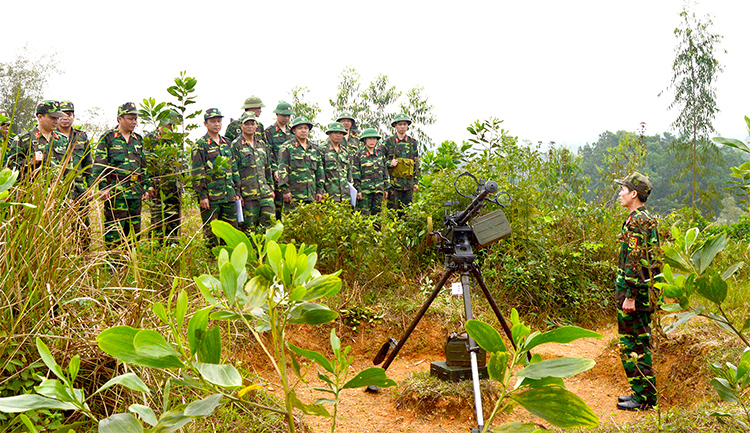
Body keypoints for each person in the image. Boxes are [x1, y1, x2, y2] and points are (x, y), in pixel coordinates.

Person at [614, 172, 660, 411]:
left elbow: (635, 261)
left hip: (636, 298)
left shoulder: (638, 221)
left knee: (635, 346)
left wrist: (630, 296)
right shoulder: (641, 219)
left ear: (634, 194)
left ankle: (644, 399)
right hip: (639, 295)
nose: (619, 193)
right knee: (636, 344)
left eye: (623, 189)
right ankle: (641, 394)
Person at [93, 102, 154, 247]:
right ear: (120, 119)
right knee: (114, 231)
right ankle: (112, 265)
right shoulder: (108, 138)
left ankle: (130, 264)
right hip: (115, 193)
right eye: (130, 118)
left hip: (135, 192)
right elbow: (99, 165)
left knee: (133, 232)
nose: (134, 122)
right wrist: (103, 188)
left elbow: (143, 166)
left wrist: (145, 187)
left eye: (135, 119)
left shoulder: (138, 139)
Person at [192, 108, 241, 247]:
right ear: (205, 123)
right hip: (212, 197)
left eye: (219, 121)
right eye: (213, 121)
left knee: (231, 230)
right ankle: (212, 262)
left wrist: (237, 192)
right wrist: (202, 196)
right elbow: (197, 172)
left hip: (230, 195)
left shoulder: (227, 143)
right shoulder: (201, 145)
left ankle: (230, 259)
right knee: (211, 231)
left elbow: (234, 168)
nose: (216, 124)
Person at [57, 101, 94, 251]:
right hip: (57, 187)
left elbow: (88, 163)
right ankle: (59, 254)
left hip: (79, 187)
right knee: (57, 223)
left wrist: (90, 186)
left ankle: (83, 253)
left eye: (69, 114)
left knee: (82, 222)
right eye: (62, 114)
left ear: (73, 117)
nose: (65, 118)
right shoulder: (51, 136)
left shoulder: (81, 136)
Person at [144, 110, 183, 244]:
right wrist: (149, 185)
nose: (170, 128)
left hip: (173, 188)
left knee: (174, 220)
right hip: (157, 188)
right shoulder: (151, 139)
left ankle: (172, 248)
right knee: (158, 221)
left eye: (173, 125)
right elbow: (147, 164)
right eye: (168, 125)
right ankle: (156, 249)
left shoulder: (175, 140)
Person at [231, 111, 274, 233]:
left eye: (252, 123)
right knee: (249, 230)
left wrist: (271, 188)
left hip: (265, 193)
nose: (250, 126)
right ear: (241, 126)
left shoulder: (262, 144)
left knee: (269, 227)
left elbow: (267, 168)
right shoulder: (236, 145)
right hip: (248, 195)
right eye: (247, 124)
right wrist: (237, 193)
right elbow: (234, 170)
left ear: (256, 126)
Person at [5, 100, 67, 175]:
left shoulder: (62, 140)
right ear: (40, 117)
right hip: (33, 185)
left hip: (58, 185)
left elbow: (68, 168)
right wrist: (30, 161)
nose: (56, 121)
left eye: (58, 118)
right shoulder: (23, 139)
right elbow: (10, 168)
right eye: (53, 118)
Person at [277, 115, 323, 213]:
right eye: (300, 128)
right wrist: (285, 191)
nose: (303, 131)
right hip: (294, 197)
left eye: (306, 128)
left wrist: (320, 191)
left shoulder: (314, 149)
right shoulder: (287, 147)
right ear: (294, 131)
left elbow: (319, 171)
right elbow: (282, 169)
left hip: (311, 196)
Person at [384, 113, 420, 213]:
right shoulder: (389, 142)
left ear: (407, 126)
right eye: (400, 124)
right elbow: (379, 160)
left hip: (408, 185)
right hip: (393, 185)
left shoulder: (413, 143)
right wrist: (389, 163)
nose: (402, 126)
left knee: (407, 213)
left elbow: (416, 163)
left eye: (404, 124)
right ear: (395, 126)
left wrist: (416, 182)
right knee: (392, 213)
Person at [265, 101, 295, 220]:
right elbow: (269, 152)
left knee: (291, 206)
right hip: (276, 175)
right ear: (277, 115)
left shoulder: (292, 132)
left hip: (290, 173)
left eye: (288, 116)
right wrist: (275, 169)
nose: (286, 118)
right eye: (283, 115)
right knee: (277, 205)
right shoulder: (269, 132)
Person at [353, 128, 389, 216]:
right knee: (363, 217)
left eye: (374, 139)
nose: (372, 141)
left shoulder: (380, 155)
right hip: (365, 192)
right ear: (365, 140)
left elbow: (385, 172)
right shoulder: (359, 155)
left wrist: (386, 188)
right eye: (369, 139)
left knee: (377, 218)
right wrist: (358, 190)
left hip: (378, 191)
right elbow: (355, 173)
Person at [321, 122, 352, 203]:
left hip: (345, 195)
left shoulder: (344, 152)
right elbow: (319, 173)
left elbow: (349, 173)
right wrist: (321, 190)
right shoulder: (322, 150)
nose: (338, 135)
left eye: (341, 133)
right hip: (329, 194)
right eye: (335, 133)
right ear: (329, 134)